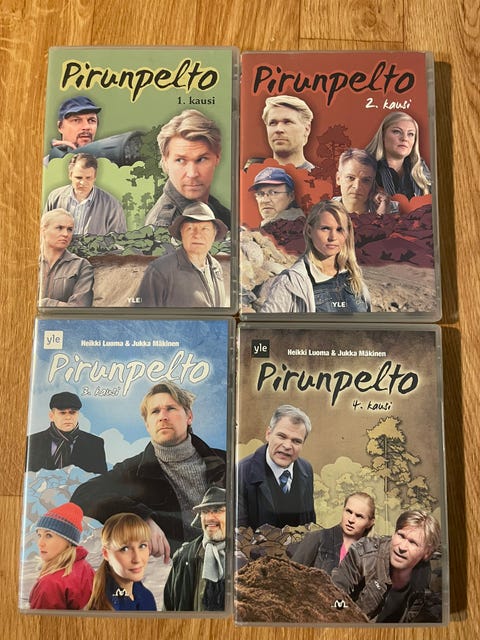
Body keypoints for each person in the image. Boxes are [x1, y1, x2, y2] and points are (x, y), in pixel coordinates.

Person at [71, 380, 226, 561]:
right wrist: (141, 518)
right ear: (147, 424)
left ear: (189, 417)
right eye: (155, 411)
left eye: (171, 408)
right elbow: (83, 494)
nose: (163, 417)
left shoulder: (225, 461)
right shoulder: (133, 470)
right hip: (175, 570)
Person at [260, 200, 371, 313]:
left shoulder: (355, 280)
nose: (333, 237)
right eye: (325, 228)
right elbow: (264, 323)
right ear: (309, 231)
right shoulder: (291, 283)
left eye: (339, 229)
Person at [331, 510, 442, 623]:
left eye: (413, 543)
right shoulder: (362, 555)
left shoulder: (424, 573)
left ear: (427, 553)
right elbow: (332, 596)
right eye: (401, 535)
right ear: (394, 533)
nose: (402, 547)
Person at [145, 109, 230, 228]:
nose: (192, 173)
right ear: (165, 162)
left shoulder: (215, 209)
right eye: (180, 160)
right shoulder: (165, 226)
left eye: (201, 159)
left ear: (217, 157)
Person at [237, 404, 315, 531]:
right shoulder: (241, 472)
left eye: (296, 441)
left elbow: (310, 524)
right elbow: (240, 533)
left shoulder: (306, 469)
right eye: (282, 436)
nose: (287, 446)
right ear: (268, 434)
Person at [134, 201, 227, 307]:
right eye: (190, 228)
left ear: (214, 234)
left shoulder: (215, 267)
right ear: (181, 233)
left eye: (205, 229)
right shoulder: (159, 271)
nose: (197, 235)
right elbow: (141, 314)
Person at [163, 486, 226, 612]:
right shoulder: (183, 557)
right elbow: (168, 607)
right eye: (205, 512)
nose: (209, 518)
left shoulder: (246, 557)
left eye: (217, 510)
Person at [289, 492, 376, 574]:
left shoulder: (372, 554)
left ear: (370, 522)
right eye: (348, 511)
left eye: (359, 516)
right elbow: (291, 575)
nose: (351, 519)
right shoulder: (317, 537)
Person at [29, 502, 94, 610]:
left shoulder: (49, 583)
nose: (40, 543)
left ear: (68, 540)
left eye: (48, 535)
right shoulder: (86, 568)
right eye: (39, 535)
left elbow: (38, 620)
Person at [85, 513, 156, 611]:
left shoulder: (145, 596)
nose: (137, 559)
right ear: (106, 554)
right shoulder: (104, 608)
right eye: (125, 549)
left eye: (142, 546)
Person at [44, 153, 127, 235]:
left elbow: (119, 239)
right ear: (70, 175)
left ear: (95, 177)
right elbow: (44, 231)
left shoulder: (112, 205)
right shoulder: (54, 197)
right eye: (79, 177)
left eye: (88, 178)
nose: (83, 183)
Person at [26, 392, 107, 474]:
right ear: (51, 416)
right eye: (62, 413)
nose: (68, 417)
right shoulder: (31, 442)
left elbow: (102, 479)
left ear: (78, 415)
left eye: (72, 412)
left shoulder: (95, 443)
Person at [365, 111, 431, 199]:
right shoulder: (364, 166)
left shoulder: (420, 168)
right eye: (397, 132)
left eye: (410, 134)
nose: (404, 138)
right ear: (383, 135)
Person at [38, 208, 94, 307]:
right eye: (59, 228)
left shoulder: (81, 266)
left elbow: (79, 307)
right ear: (43, 230)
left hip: (64, 318)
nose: (65, 234)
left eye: (70, 229)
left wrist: (44, 303)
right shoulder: (26, 263)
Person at [334, 148, 398, 216]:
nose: (357, 187)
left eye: (366, 180)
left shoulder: (393, 208)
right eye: (350, 178)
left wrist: (384, 212)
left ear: (373, 184)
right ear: (338, 179)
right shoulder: (326, 210)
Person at [262, 95, 314, 170]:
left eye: (287, 122)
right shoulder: (252, 175)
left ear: (307, 129)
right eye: (273, 123)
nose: (279, 129)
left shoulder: (321, 176)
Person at [47, 96, 101, 162]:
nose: (86, 127)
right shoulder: (43, 165)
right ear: (60, 126)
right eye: (76, 120)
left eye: (91, 120)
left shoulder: (105, 163)